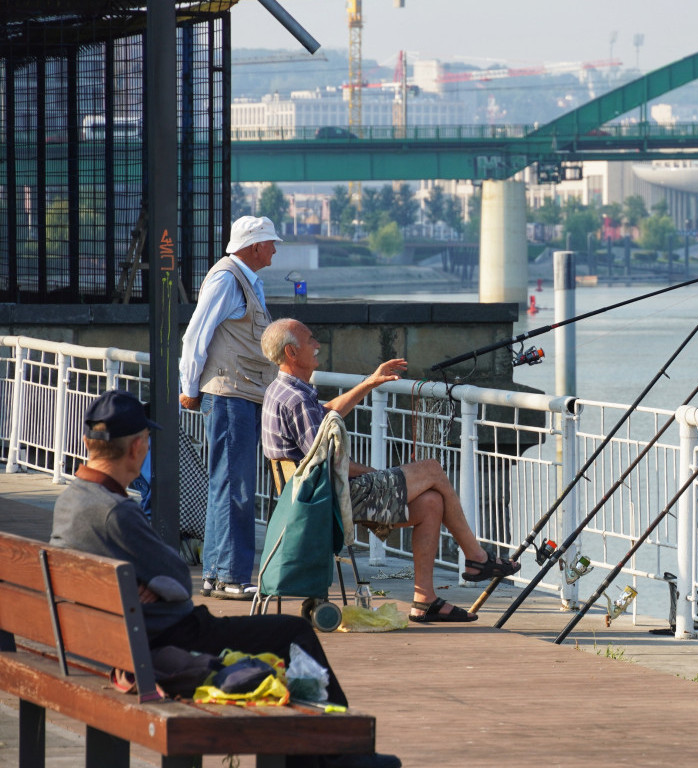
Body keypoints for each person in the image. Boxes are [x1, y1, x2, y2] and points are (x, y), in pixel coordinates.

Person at [50, 390, 399, 768]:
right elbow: (180, 581)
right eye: (148, 441)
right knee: (292, 634)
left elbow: (164, 583)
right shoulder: (116, 513)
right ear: (136, 447)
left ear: (89, 443)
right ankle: (339, 753)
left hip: (105, 644)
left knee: (281, 635)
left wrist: (148, 588)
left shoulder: (72, 500)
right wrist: (152, 588)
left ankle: (321, 755)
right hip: (165, 642)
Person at [259, 318, 519, 623]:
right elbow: (325, 462)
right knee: (433, 470)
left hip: (311, 498)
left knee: (431, 502)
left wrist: (370, 382)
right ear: (292, 352)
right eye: (310, 340)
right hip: (330, 500)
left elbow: (326, 416)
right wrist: (374, 474)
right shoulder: (297, 400)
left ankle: (425, 600)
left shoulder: (282, 391)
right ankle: (477, 558)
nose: (317, 345)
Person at [179, 215, 280, 600]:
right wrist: (189, 388)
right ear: (253, 246)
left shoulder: (244, 281)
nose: (273, 249)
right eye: (270, 243)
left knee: (226, 484)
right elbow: (195, 335)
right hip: (228, 395)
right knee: (235, 487)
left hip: (240, 394)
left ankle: (217, 574)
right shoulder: (227, 279)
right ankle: (233, 577)